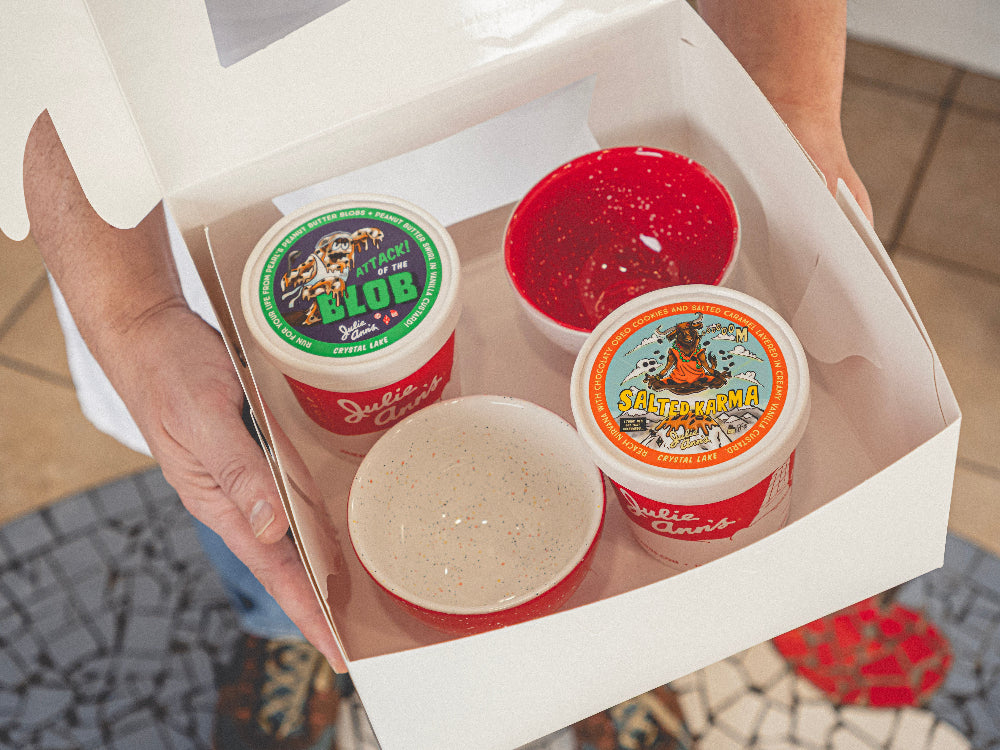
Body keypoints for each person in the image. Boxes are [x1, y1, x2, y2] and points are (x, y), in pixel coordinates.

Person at [23, 2, 872, 748]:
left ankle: (620, 665)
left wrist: (786, 94)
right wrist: (133, 313)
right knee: (261, 492)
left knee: (617, 529)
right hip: (189, 153)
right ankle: (283, 639)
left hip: (566, 79)